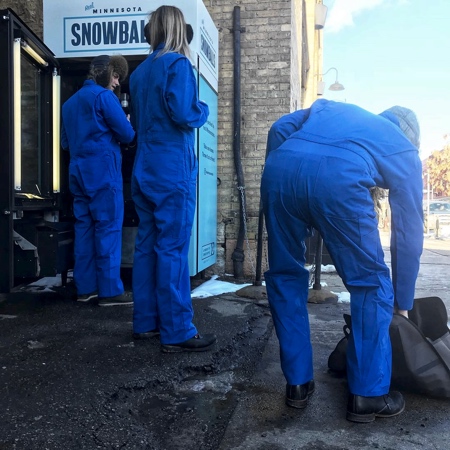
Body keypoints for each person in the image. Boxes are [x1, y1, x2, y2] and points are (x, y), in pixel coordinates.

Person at [260, 99, 423, 423]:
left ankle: (298, 384)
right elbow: (408, 235)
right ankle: (368, 396)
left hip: (279, 171)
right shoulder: (404, 149)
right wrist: (402, 301)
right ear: (411, 136)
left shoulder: (334, 110)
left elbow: (279, 128)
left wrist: (285, 182)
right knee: (371, 284)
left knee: (285, 276)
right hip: (340, 180)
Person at [129, 6, 216, 352]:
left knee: (147, 247)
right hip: (171, 170)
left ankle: (146, 322)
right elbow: (185, 113)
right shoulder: (177, 65)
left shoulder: (138, 74)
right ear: (178, 28)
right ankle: (178, 330)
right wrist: (203, 108)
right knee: (173, 249)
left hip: (144, 168)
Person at [61, 54, 135, 306]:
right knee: (108, 228)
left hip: (77, 172)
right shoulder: (104, 97)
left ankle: (85, 288)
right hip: (103, 172)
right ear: (107, 73)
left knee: (84, 229)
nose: (116, 83)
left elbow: (64, 143)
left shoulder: (69, 104)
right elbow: (126, 135)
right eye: (116, 76)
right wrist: (126, 122)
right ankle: (110, 291)